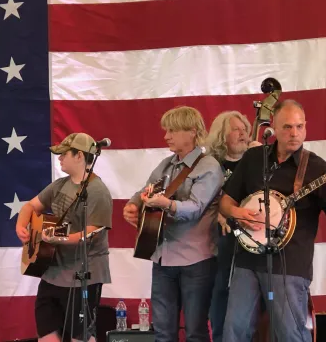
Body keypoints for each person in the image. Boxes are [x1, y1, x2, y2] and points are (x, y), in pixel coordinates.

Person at [220, 100, 325, 342]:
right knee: (234, 331)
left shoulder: (317, 168)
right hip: (247, 260)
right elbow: (226, 202)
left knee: (290, 334)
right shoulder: (254, 158)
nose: (294, 133)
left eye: (300, 126)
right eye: (287, 127)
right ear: (273, 129)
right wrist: (238, 214)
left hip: (289, 266)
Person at [123, 106, 223, 342]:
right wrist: (133, 205)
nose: (166, 136)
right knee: (163, 333)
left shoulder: (209, 166)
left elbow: (195, 208)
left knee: (195, 333)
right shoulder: (166, 165)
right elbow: (145, 190)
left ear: (191, 132)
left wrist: (166, 204)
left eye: (172, 130)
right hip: (163, 258)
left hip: (196, 261)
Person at [15, 132, 112, 342]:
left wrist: (59, 239)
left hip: (83, 275)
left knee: (81, 336)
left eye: (64, 154)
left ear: (79, 156)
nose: (59, 159)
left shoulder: (98, 191)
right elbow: (30, 206)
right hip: (52, 272)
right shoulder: (60, 185)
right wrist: (21, 226)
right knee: (47, 335)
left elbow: (92, 234)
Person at [205, 111, 253, 342]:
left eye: (244, 128)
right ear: (221, 136)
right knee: (221, 288)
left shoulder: (255, 160)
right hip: (223, 237)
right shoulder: (212, 165)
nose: (243, 132)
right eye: (236, 129)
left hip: (253, 234)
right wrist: (220, 216)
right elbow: (202, 202)